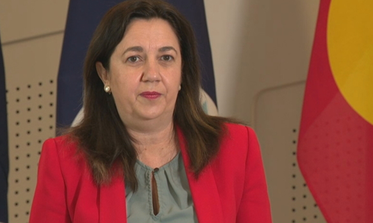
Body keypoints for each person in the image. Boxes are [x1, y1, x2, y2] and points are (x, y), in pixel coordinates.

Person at [29, 0, 272, 222]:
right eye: (134, 59)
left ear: (182, 72)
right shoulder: (64, 160)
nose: (152, 74)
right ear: (105, 74)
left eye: (166, 57)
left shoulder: (238, 147)